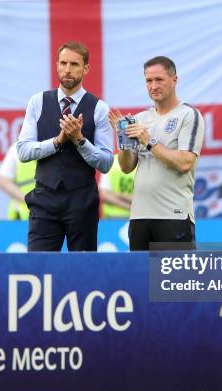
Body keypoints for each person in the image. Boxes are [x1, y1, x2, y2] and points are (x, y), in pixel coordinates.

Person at [17, 41, 114, 251]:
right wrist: (57, 141)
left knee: (83, 271)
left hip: (82, 200)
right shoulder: (37, 101)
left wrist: (80, 140)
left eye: (74, 64)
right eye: (63, 63)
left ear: (86, 68)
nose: (67, 69)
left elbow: (106, 163)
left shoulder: (99, 108)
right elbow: (23, 151)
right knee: (38, 266)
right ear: (56, 65)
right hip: (44, 198)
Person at [108, 56, 204, 251]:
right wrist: (123, 140)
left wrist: (149, 141)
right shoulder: (140, 118)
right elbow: (126, 167)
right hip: (139, 216)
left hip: (173, 215)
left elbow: (185, 163)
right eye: (148, 81)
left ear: (174, 80)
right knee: (142, 280)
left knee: (176, 280)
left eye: (159, 79)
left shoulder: (188, 115)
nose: (153, 86)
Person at [0, 143, 36, 220]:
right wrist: (29, 200)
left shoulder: (60, 145)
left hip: (52, 213)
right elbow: (3, 180)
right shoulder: (18, 148)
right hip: (23, 215)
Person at [99, 153, 135, 219]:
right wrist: (131, 207)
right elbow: (104, 195)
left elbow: (105, 194)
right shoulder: (111, 162)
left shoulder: (111, 162)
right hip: (113, 218)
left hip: (112, 217)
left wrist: (116, 194)